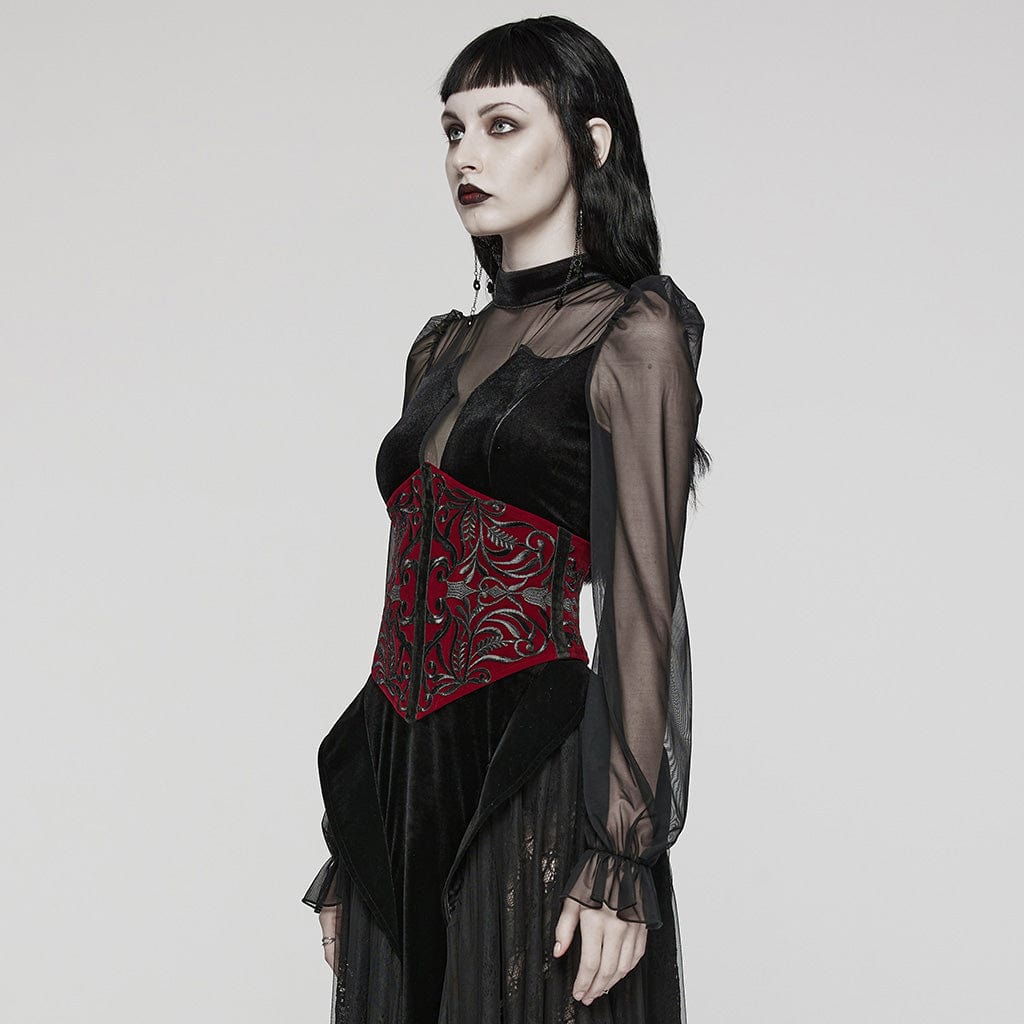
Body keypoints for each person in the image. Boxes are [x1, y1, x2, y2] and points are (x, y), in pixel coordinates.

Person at [302, 15, 710, 1024]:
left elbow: (642, 604)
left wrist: (621, 854)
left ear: (591, 142)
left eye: (500, 124)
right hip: (398, 773)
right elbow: (404, 595)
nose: (465, 155)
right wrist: (352, 833)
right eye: (453, 129)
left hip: (526, 771)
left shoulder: (635, 331)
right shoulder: (438, 348)